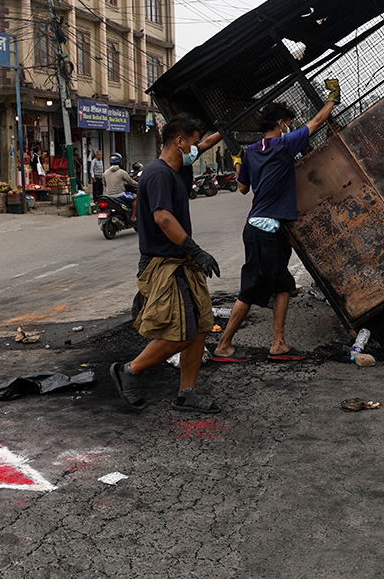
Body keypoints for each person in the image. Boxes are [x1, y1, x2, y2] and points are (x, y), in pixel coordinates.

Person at [212, 80, 339, 363]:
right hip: (263, 230)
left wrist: (237, 163)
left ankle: (278, 343)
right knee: (251, 289)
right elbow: (318, 121)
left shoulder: (250, 152)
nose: (290, 128)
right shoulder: (283, 145)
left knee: (283, 286)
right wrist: (333, 97)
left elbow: (243, 187)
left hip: (259, 227)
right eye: (289, 124)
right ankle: (223, 345)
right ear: (281, 124)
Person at [110, 114, 223, 413]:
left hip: (180, 261)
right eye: (193, 144)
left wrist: (224, 127)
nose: (196, 150)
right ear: (179, 141)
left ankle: (187, 393)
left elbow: (207, 142)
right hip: (163, 265)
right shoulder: (158, 173)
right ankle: (129, 371)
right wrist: (196, 251)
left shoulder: (175, 167)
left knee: (200, 328)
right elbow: (162, 217)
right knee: (181, 333)